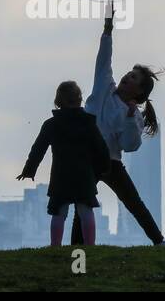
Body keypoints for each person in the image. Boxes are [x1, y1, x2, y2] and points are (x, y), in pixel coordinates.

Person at [72, 4, 165, 246]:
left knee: (133, 202)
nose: (127, 77)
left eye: (133, 79)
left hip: (110, 162)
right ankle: (76, 249)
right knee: (82, 204)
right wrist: (108, 28)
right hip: (88, 157)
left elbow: (130, 146)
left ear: (138, 94)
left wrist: (128, 119)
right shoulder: (104, 87)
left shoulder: (133, 116)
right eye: (129, 74)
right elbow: (104, 59)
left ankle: (158, 241)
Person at [17, 81, 112, 246]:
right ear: (80, 99)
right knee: (86, 210)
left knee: (59, 212)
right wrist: (104, 168)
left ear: (58, 101)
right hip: (84, 174)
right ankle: (90, 245)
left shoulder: (51, 125)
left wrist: (29, 170)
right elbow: (101, 148)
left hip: (61, 174)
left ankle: (55, 246)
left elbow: (38, 149)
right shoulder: (88, 123)